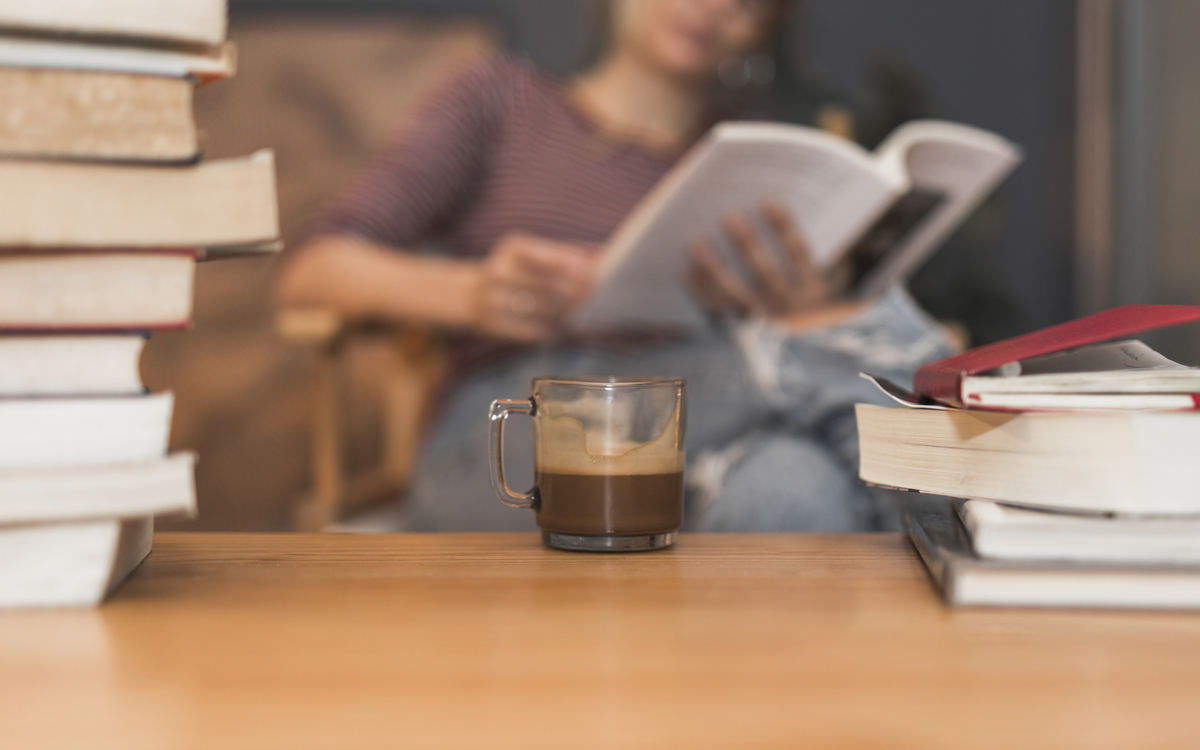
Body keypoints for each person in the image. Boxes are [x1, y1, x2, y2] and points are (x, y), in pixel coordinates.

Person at [277, 0, 954, 532]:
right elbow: (314, 268)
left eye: (747, 0)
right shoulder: (503, 99)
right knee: (806, 362)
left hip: (705, 436)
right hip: (515, 432)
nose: (713, 4)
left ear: (759, 34)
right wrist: (474, 293)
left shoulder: (760, 163)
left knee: (795, 484)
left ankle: (751, 709)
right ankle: (909, 400)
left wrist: (798, 308)